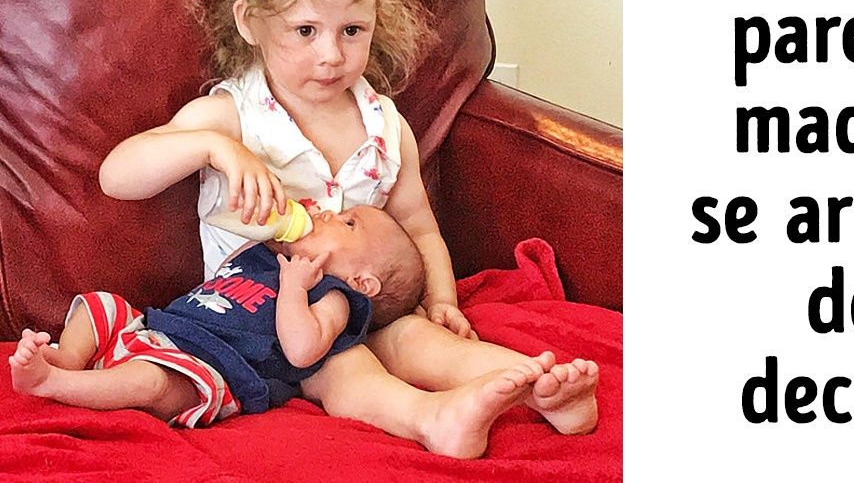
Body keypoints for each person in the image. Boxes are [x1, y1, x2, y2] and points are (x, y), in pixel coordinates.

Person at [93, 0, 598, 457]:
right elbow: (117, 176)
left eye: (352, 30)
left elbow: (418, 226)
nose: (331, 55)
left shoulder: (385, 126)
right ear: (250, 23)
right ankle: (433, 419)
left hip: (365, 308)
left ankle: (541, 388)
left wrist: (442, 299)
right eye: (305, 30)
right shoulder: (233, 116)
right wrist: (213, 148)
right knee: (345, 369)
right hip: (262, 327)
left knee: (419, 340)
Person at [9, 205, 553, 458]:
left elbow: (302, 349)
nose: (329, 214)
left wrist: (295, 289)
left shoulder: (332, 296)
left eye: (347, 223)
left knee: (149, 384)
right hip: (155, 328)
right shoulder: (270, 258)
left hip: (208, 370)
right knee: (100, 304)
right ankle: (68, 357)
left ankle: (58, 384)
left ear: (362, 280)